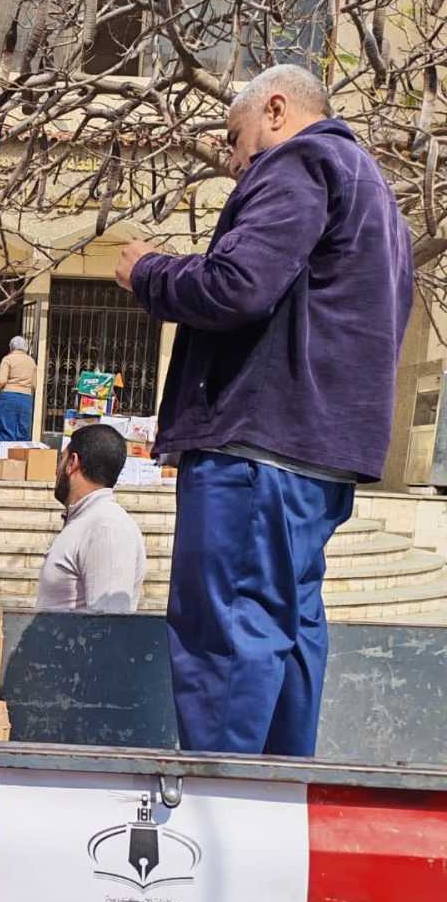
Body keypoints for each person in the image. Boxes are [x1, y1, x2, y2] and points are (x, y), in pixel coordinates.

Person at [115, 64, 413, 758]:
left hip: (256, 450)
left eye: (233, 137)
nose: (231, 160)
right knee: (289, 632)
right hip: (319, 460)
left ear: (275, 110)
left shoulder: (299, 162)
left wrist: (150, 272)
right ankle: (276, 805)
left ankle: (223, 811)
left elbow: (237, 284)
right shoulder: (378, 196)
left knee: (227, 637)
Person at [36, 423, 146, 614]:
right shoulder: (88, 520)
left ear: (72, 462)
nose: (56, 471)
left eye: (61, 460)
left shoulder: (107, 527)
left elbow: (108, 622)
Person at [0, 335, 36, 453]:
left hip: (9, 397)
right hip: (26, 398)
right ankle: (20, 459)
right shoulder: (31, 362)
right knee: (23, 432)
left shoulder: (8, 359)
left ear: (11, 347)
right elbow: (34, 384)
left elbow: (1, 380)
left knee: (6, 431)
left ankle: (3, 458)